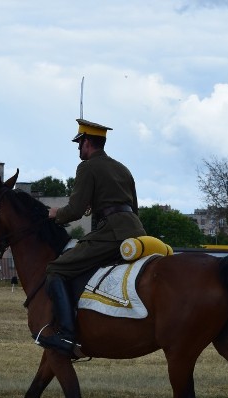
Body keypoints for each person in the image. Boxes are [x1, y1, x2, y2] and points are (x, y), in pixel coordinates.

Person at [36, 118, 147, 356]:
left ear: (87, 143)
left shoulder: (87, 167)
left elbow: (75, 210)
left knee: (56, 269)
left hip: (111, 234)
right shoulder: (122, 168)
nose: (78, 148)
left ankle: (66, 336)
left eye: (79, 143)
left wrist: (57, 214)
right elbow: (133, 207)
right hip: (136, 232)